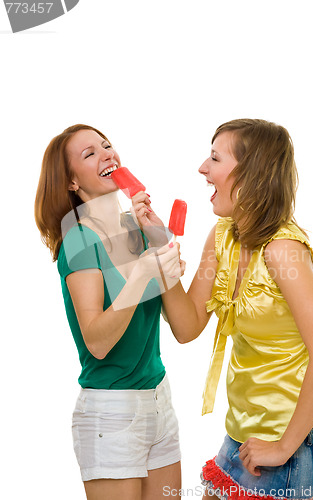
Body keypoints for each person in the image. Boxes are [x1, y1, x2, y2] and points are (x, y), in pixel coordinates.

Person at [133, 119, 313, 500]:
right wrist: (161, 251)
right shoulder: (222, 237)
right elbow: (187, 326)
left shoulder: (283, 251)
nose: (203, 168)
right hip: (240, 434)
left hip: (289, 442)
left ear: (251, 175)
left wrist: (282, 446)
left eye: (214, 158)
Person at [34, 124, 183, 500]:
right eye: (90, 154)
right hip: (111, 414)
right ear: (71, 182)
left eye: (107, 145)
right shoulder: (79, 240)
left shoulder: (135, 229)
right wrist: (142, 275)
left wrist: (161, 243)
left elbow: (185, 327)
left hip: (159, 401)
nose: (107, 154)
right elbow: (97, 342)